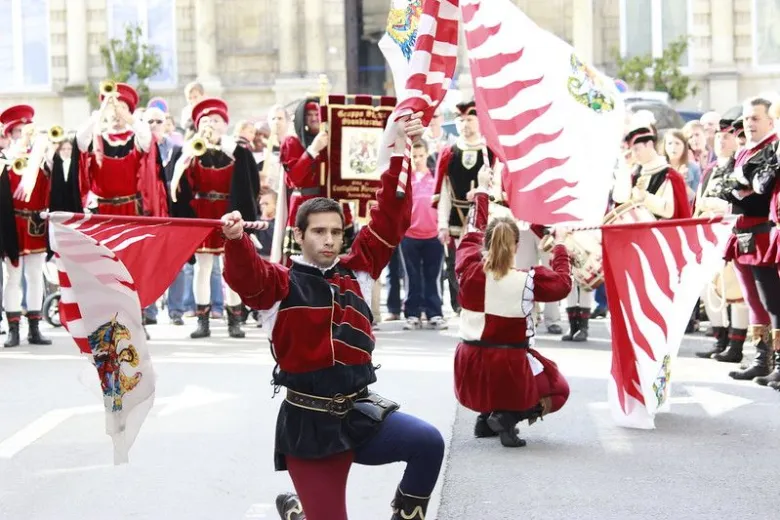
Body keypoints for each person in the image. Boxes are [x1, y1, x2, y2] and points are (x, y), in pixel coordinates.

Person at [220, 113, 444, 520]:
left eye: (335, 232)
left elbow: (392, 216)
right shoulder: (280, 283)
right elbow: (245, 276)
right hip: (310, 428)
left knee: (428, 443)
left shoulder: (357, 270)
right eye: (319, 231)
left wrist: (400, 150)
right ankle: (301, 512)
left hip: (361, 415)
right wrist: (235, 242)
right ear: (300, 235)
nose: (328, 239)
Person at [453, 165, 572, 448]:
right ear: (516, 247)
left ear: (486, 242)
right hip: (507, 369)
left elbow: (471, 230)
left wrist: (482, 190)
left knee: (492, 353)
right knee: (559, 390)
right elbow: (563, 284)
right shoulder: (526, 281)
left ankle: (485, 417)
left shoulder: (467, 267)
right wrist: (561, 247)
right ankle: (507, 417)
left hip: (468, 369)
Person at [169, 97, 259, 339]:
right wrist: (188, 158)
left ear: (225, 124)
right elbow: (178, 187)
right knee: (203, 267)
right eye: (206, 120)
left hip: (228, 211)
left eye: (217, 120)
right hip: (202, 212)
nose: (212, 124)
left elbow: (249, 182)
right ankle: (203, 321)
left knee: (231, 267)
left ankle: (235, 320)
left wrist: (224, 146)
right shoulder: (191, 149)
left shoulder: (236, 150)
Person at [718, 97, 780, 384]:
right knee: (752, 300)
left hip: (763, 231)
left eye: (755, 118)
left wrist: (740, 186)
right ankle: (761, 359)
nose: (749, 124)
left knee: (772, 301)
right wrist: (738, 187)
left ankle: (778, 362)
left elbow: (762, 190)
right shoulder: (744, 152)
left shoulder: (773, 147)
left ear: (769, 120)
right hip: (740, 230)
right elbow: (724, 187)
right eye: (746, 118)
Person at [693, 118, 749, 363]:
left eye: (727, 136)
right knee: (709, 290)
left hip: (733, 234)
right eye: (718, 136)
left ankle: (736, 346)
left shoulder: (740, 166)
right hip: (708, 237)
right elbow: (698, 202)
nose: (722, 140)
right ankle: (721, 340)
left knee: (736, 292)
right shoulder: (711, 169)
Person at [0, 104, 53, 348]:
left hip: (34, 223)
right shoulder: (5, 160)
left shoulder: (40, 158)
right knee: (12, 277)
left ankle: (34, 327)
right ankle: (12, 329)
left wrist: (41, 145)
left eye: (26, 130)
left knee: (34, 276)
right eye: (17, 131)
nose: (23, 135)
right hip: (12, 225)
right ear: (9, 135)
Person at [278, 98, 354, 263]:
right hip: (304, 206)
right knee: (302, 263)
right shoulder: (292, 142)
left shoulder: (333, 140)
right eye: (309, 114)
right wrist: (312, 150)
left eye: (317, 114)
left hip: (333, 205)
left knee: (335, 262)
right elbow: (294, 179)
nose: (314, 118)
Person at [75, 82, 166, 217]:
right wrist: (101, 111)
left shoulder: (135, 138)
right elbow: (80, 141)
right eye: (112, 109)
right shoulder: (96, 138)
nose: (116, 113)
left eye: (122, 109)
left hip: (131, 210)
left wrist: (129, 118)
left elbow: (147, 140)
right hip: (101, 211)